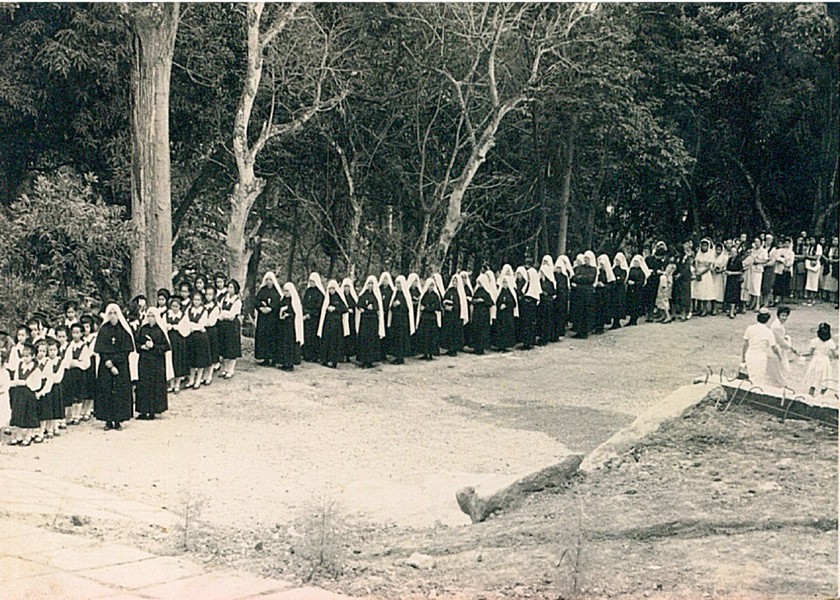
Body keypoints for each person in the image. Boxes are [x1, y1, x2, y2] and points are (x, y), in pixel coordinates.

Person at [94, 304, 136, 431]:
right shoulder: (103, 330)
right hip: (105, 366)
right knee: (106, 391)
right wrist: (108, 362)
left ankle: (118, 420)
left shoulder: (123, 330)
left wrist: (114, 363)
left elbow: (126, 351)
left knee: (119, 392)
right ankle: (107, 420)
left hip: (121, 366)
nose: (112, 316)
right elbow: (100, 349)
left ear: (119, 315)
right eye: (110, 313)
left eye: (115, 313)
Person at [134, 308, 172, 420]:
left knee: (155, 385)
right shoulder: (143, 329)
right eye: (149, 316)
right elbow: (136, 343)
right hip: (144, 360)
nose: (150, 318)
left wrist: (154, 346)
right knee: (143, 385)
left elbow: (166, 346)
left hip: (157, 361)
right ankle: (142, 410)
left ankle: (153, 410)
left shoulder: (160, 330)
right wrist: (142, 347)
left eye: (152, 316)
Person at [8, 343, 41, 446]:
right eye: (23, 356)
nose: (25, 358)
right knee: (17, 413)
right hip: (19, 393)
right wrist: (16, 382)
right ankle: (18, 436)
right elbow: (16, 378)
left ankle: (28, 436)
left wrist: (26, 383)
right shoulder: (20, 365)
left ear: (33, 356)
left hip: (28, 393)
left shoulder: (35, 368)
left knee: (29, 415)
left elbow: (36, 383)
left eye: (27, 356)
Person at [740, 308, 781, 387]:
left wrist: (743, 359)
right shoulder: (768, 332)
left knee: (751, 376)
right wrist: (779, 356)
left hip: (750, 355)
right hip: (760, 357)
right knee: (759, 379)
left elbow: (745, 344)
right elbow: (774, 348)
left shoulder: (750, 328)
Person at [317, 280, 349, 369]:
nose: (331, 291)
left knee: (335, 343)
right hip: (328, 323)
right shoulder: (327, 298)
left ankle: (334, 361)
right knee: (327, 341)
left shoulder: (339, 298)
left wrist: (335, 309)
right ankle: (325, 359)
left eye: (333, 289)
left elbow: (345, 309)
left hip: (336, 324)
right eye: (330, 289)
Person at [355, 275, 385, 368]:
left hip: (373, 320)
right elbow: (359, 304)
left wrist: (373, 307)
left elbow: (379, 307)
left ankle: (370, 360)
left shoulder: (377, 295)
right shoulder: (363, 294)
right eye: (369, 283)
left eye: (372, 283)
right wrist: (364, 308)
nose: (370, 285)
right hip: (365, 320)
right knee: (364, 339)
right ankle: (363, 360)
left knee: (372, 339)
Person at [801, 323, 838, 396]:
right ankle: (820, 395)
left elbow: (810, 353)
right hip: (825, 362)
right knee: (826, 380)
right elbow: (835, 355)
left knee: (814, 379)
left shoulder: (814, 341)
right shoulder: (830, 342)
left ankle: (810, 395)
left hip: (816, 361)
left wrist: (802, 354)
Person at [184, 291, 212, 389]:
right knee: (192, 359)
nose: (196, 302)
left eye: (198, 300)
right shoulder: (188, 310)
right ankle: (191, 379)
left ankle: (198, 380)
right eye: (195, 300)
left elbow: (201, 325)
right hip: (191, 337)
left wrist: (193, 326)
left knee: (200, 359)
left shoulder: (204, 311)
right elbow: (186, 322)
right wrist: (192, 326)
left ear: (201, 301)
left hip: (200, 337)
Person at [766, 306, 798, 389]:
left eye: (786, 316)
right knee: (780, 368)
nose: (784, 318)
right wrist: (792, 348)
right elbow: (781, 341)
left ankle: (781, 384)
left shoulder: (779, 325)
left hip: (779, 347)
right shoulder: (776, 326)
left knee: (782, 368)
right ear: (778, 315)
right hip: (776, 349)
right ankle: (781, 386)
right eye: (783, 315)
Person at [254, 272, 282, 367]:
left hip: (273, 319)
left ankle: (273, 359)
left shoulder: (276, 292)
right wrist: (260, 308)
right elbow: (256, 301)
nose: (268, 282)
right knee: (263, 337)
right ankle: (265, 358)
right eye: (267, 280)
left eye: (270, 280)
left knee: (272, 337)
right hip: (263, 318)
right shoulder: (262, 290)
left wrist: (271, 308)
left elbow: (278, 303)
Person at [217, 280, 243, 379]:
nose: (229, 289)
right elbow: (219, 310)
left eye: (231, 287)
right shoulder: (224, 299)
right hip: (223, 326)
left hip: (232, 326)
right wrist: (222, 314)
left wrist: (224, 314)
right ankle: (224, 368)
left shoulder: (237, 301)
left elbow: (232, 315)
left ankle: (230, 370)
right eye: (228, 287)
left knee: (231, 347)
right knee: (224, 347)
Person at [387, 275, 414, 365]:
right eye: (396, 283)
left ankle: (400, 357)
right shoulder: (395, 294)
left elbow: (407, 308)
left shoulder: (405, 295)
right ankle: (397, 356)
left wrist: (399, 305)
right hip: (395, 320)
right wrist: (394, 305)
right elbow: (391, 307)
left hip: (402, 321)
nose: (397, 285)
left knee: (401, 340)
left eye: (399, 283)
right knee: (396, 339)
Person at [165, 296, 190, 392]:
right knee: (170, 361)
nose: (174, 308)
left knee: (179, 361)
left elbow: (186, 329)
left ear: (180, 307)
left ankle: (177, 384)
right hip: (170, 341)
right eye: (173, 306)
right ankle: (171, 383)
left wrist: (177, 327)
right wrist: (168, 327)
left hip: (179, 341)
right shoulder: (167, 315)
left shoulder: (183, 316)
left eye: (176, 306)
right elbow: (163, 326)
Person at [441, 274, 468, 356]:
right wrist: (445, 305)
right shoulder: (449, 291)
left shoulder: (460, 292)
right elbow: (444, 300)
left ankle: (454, 349)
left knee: (455, 333)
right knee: (448, 332)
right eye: (453, 281)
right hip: (448, 316)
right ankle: (449, 348)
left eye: (456, 281)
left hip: (456, 317)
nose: (454, 283)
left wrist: (452, 308)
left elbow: (461, 305)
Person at [571, 253, 597, 338]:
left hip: (587, 294)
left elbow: (590, 279)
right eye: (585, 258)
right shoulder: (580, 268)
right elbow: (574, 277)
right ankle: (579, 331)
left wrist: (580, 278)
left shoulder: (593, 269)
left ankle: (585, 332)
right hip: (579, 293)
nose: (586, 260)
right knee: (579, 312)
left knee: (586, 313)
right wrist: (582, 278)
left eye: (587, 259)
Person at [416, 277, 442, 360]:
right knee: (424, 336)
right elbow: (421, 305)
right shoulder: (424, 295)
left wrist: (427, 308)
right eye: (429, 285)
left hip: (432, 319)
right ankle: (425, 353)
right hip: (424, 318)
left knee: (431, 337)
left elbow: (437, 307)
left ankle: (430, 354)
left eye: (432, 285)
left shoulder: (435, 295)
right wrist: (428, 307)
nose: (431, 287)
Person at [303, 272, 325, 362]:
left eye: (313, 281)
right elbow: (304, 303)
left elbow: (319, 307)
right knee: (307, 336)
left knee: (314, 336)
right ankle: (306, 355)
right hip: (306, 317)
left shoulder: (320, 294)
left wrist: (311, 314)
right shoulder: (308, 291)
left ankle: (314, 356)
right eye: (310, 281)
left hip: (315, 318)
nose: (311, 283)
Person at [276, 282, 298, 371]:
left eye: (287, 291)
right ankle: (283, 362)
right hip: (282, 325)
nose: (286, 293)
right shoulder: (283, 300)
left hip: (290, 326)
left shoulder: (294, 301)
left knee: (289, 345)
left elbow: (296, 313)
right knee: (283, 344)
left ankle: (290, 364)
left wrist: (288, 315)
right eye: (284, 291)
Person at [470, 273, 494, 354]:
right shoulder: (477, 291)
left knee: (482, 331)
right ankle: (476, 347)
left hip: (484, 314)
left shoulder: (487, 291)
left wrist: (483, 301)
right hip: (477, 314)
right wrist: (476, 301)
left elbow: (490, 302)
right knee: (476, 330)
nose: (479, 284)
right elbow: (473, 300)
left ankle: (481, 348)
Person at [203, 286, 221, 378]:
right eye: (206, 294)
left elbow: (210, 322)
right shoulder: (203, 305)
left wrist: (201, 322)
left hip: (211, 330)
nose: (208, 296)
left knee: (212, 349)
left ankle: (210, 373)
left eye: (210, 294)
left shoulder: (215, 307)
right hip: (204, 330)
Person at [771, 237, 794, 307]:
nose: (786, 244)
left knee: (784, 286)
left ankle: (782, 301)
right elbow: (775, 257)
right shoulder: (779, 250)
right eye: (785, 243)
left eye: (788, 243)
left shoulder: (791, 252)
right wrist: (782, 260)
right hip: (779, 270)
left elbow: (791, 261)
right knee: (777, 285)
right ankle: (775, 300)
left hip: (786, 270)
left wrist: (786, 263)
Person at [673, 241, 694, 320]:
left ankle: (686, 312)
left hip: (685, 279)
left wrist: (680, 274)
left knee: (685, 295)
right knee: (678, 295)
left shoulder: (686, 258)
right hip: (678, 279)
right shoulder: (677, 258)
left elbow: (686, 268)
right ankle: (679, 311)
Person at [626, 255, 648, 326]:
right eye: (635, 262)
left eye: (637, 262)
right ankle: (630, 320)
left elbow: (642, 281)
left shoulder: (642, 271)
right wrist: (628, 282)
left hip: (638, 290)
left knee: (636, 305)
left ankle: (634, 320)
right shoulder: (631, 269)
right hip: (631, 290)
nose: (635, 263)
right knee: (631, 305)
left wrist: (635, 283)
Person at [724, 240, 744, 319]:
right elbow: (727, 268)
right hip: (729, 279)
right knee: (729, 294)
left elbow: (741, 271)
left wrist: (732, 273)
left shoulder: (739, 261)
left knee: (734, 295)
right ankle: (731, 310)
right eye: (731, 252)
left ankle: (732, 311)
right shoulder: (729, 260)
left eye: (734, 252)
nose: (732, 254)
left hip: (735, 280)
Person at [553, 256, 572, 337]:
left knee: (562, 314)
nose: (558, 269)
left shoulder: (564, 276)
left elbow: (565, 287)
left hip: (562, 297)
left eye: (559, 268)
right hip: (556, 297)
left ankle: (561, 330)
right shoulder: (553, 275)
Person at [341, 278, 359, 363]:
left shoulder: (353, 297)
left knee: (350, 337)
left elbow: (356, 305)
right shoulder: (341, 297)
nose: (346, 288)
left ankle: (349, 355)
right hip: (343, 320)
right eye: (345, 286)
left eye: (348, 286)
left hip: (351, 320)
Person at [803, 236, 822, 306]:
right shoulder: (809, 247)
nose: (811, 241)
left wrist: (808, 257)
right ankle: (808, 299)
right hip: (809, 265)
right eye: (810, 240)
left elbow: (816, 257)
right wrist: (808, 256)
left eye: (812, 239)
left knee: (814, 283)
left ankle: (813, 299)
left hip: (815, 265)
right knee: (809, 283)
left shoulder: (818, 246)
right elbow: (807, 254)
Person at [656, 259, 676, 324]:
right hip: (668, 282)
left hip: (666, 282)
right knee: (662, 299)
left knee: (664, 299)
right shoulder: (673, 266)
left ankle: (668, 316)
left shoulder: (670, 267)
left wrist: (660, 272)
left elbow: (666, 273)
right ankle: (664, 315)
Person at [711, 242, 728, 316]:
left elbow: (725, 267)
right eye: (717, 249)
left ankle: (716, 308)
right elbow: (710, 264)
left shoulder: (724, 257)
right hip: (712, 275)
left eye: (719, 250)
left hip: (720, 276)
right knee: (712, 291)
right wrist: (713, 269)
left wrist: (720, 270)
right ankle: (712, 307)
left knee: (717, 291)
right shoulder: (712, 256)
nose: (718, 251)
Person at [760, 234, 777, 308]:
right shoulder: (763, 248)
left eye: (769, 240)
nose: (768, 241)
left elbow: (772, 261)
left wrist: (765, 264)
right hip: (762, 268)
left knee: (768, 286)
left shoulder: (773, 249)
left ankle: (766, 302)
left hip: (769, 269)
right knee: (762, 285)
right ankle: (762, 301)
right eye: (766, 239)